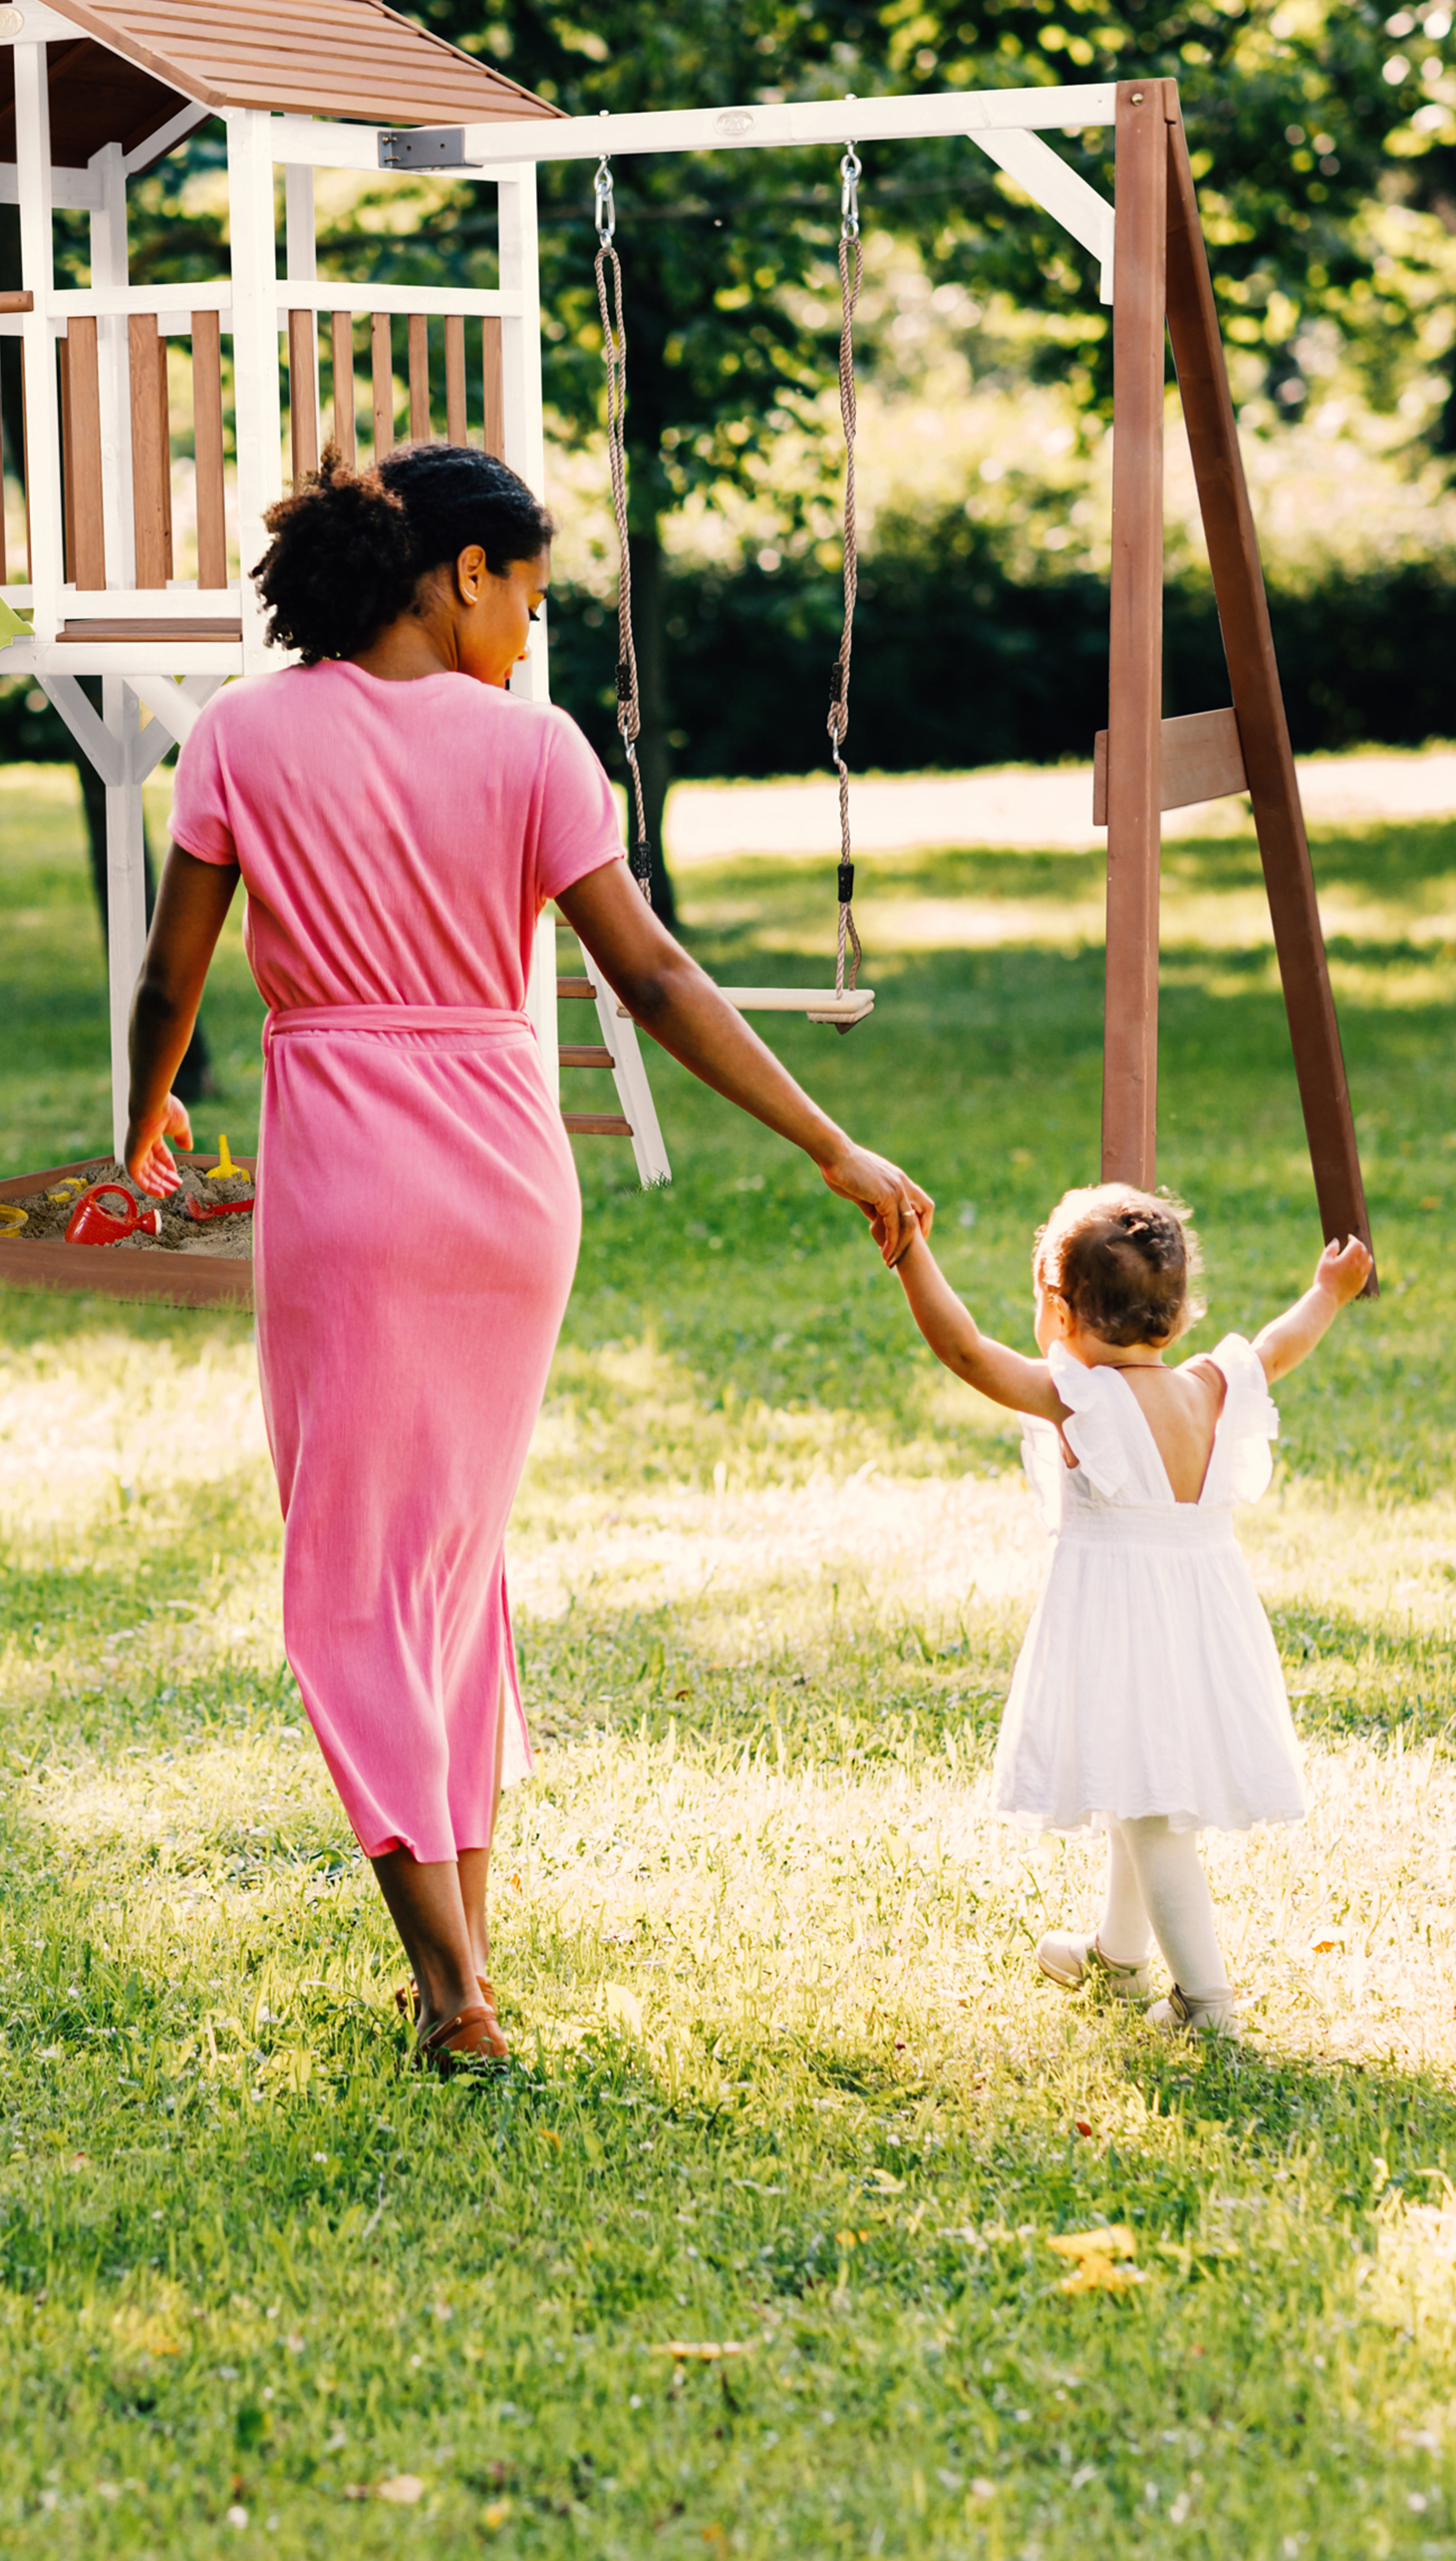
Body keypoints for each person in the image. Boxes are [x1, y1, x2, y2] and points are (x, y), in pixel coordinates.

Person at [121, 445, 932, 2073]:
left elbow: (170, 979)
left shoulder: (241, 736)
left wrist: (138, 1127)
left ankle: (451, 1993)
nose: (529, 632)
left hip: (349, 1189)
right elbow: (658, 979)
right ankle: (466, 1961)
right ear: (462, 572)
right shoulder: (537, 749)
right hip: (507, 1190)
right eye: (531, 599)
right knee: (448, 1566)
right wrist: (827, 1141)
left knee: (354, 1584)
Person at [886, 1183, 1374, 2037]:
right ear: (1177, 1316)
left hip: (1124, 1630)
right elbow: (1277, 1345)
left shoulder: (1081, 1399)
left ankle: (1205, 2003)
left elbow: (964, 1350)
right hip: (1203, 1626)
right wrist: (1326, 1293)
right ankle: (1117, 1957)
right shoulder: (1210, 1386)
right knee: (1134, 1782)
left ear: (1060, 1310)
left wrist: (909, 1251)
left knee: (1151, 1816)